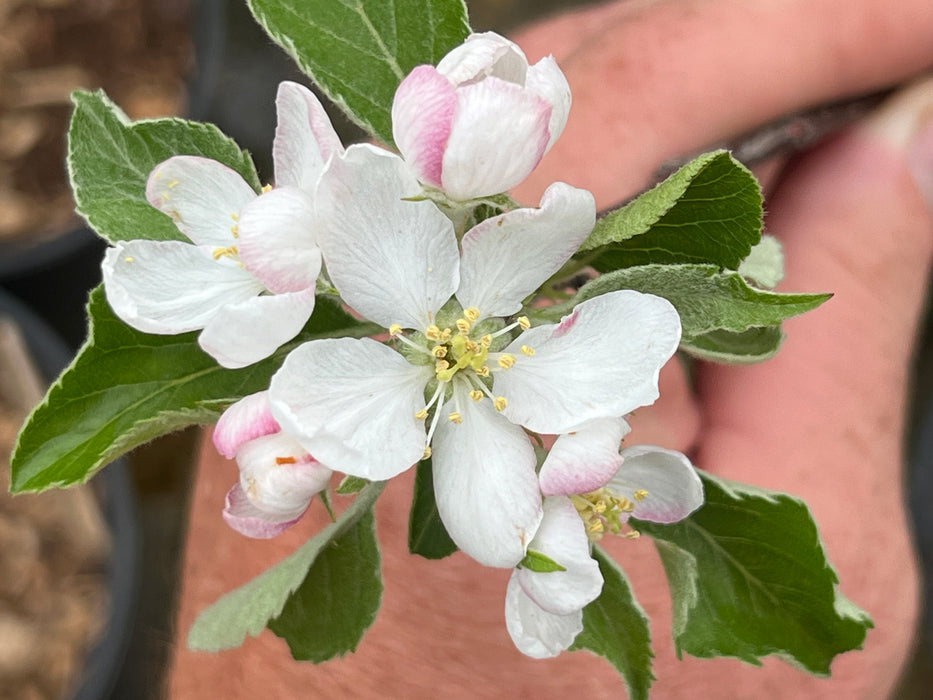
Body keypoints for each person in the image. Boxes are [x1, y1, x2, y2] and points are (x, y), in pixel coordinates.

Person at [169, 0, 933, 696]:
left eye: (453, 346)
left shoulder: (464, 270)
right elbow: (483, 498)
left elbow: (542, 242)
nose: (453, 352)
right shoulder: (461, 454)